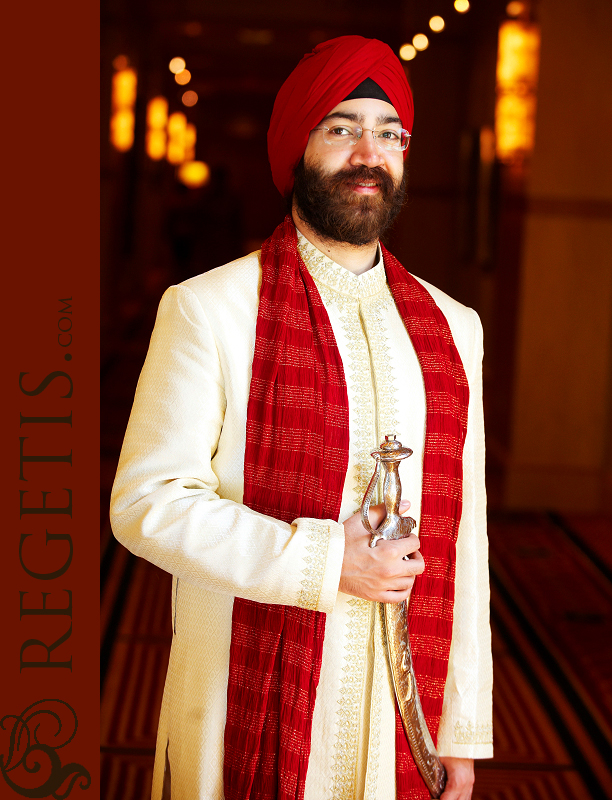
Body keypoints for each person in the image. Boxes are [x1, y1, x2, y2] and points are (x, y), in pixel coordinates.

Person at [110, 35, 493, 800]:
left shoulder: (455, 328)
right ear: (298, 149)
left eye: (390, 134)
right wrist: (321, 561)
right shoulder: (210, 309)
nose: (368, 151)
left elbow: (465, 538)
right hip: (240, 700)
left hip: (398, 707)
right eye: (341, 126)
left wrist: (459, 731)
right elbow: (144, 504)